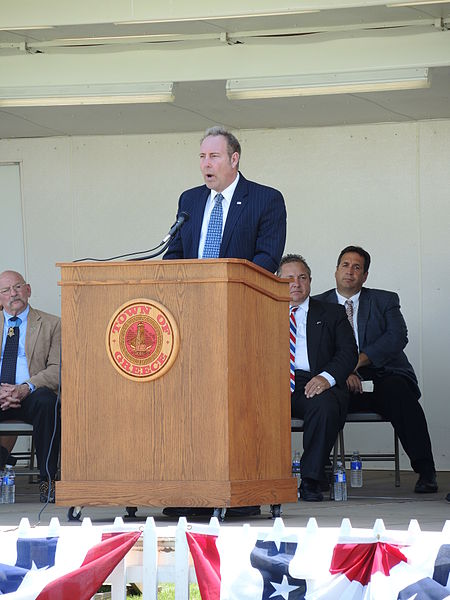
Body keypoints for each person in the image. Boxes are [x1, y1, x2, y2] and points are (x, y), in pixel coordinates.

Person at [314, 245, 437, 493]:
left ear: (365, 276)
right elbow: (316, 348)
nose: (350, 271)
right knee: (321, 398)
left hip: (383, 374)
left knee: (401, 394)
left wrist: (355, 362)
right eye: (345, 265)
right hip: (340, 383)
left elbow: (396, 337)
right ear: (336, 271)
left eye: (357, 267)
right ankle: (320, 471)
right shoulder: (318, 304)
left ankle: (426, 471)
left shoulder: (384, 300)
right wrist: (343, 371)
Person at [278, 254, 358, 501]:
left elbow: (348, 352)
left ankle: (311, 480)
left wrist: (327, 377)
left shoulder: (332, 313)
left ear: (310, 281)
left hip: (314, 380)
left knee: (323, 406)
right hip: (273, 381)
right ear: (276, 281)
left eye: (302, 278)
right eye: (289, 278)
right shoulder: (262, 311)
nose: (296, 284)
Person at [163, 125, 287, 273]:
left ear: (234, 159)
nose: (206, 164)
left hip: (239, 293)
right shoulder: (189, 199)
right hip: (191, 293)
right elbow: (174, 254)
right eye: (202, 156)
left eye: (214, 156)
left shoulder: (266, 199)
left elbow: (267, 258)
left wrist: (225, 283)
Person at [0, 270, 61, 502]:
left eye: (17, 287)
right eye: (5, 290)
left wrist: (25, 387)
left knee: (48, 402)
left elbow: (57, 368)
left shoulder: (51, 324)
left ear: (28, 290)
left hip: (31, 393)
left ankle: (48, 482)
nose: (13, 293)